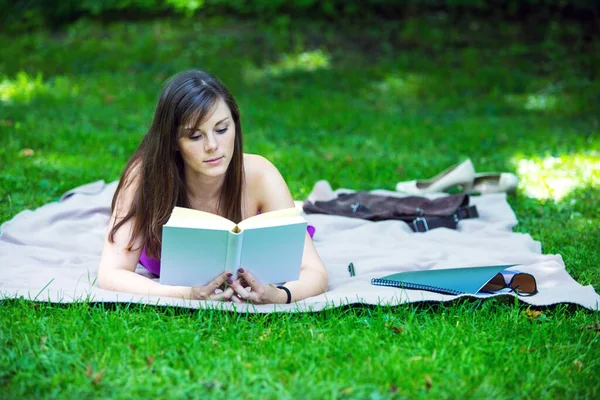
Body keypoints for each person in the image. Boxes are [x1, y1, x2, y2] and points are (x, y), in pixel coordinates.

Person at [97, 69, 328, 304]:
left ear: (235, 124)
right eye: (195, 136)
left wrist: (279, 296)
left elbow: (315, 272)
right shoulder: (146, 176)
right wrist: (186, 294)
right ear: (173, 141)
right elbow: (110, 273)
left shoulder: (260, 174)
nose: (212, 146)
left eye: (221, 129)